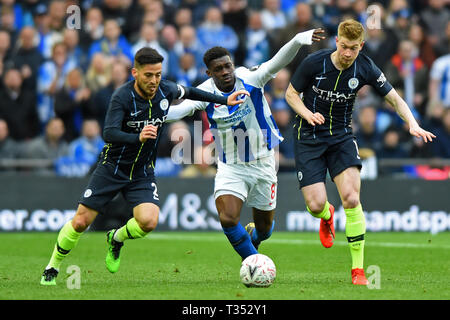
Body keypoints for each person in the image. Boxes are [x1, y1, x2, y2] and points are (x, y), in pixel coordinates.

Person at [40, 47, 248, 285]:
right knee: (80, 222)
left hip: (142, 171)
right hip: (112, 167)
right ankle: (52, 267)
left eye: (158, 74)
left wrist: (224, 99)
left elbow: (191, 92)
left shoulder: (165, 89)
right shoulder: (122, 97)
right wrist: (137, 137)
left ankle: (116, 238)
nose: (154, 80)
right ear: (135, 73)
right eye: (149, 75)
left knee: (148, 221)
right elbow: (109, 133)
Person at [285, 19, 435, 285]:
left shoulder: (365, 67)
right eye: (343, 46)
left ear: (361, 46)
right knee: (315, 204)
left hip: (342, 136)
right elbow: (291, 94)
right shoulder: (313, 63)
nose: (347, 53)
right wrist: (308, 114)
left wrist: (412, 124)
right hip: (308, 136)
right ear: (336, 42)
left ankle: (358, 270)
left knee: (352, 199)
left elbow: (394, 98)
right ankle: (327, 215)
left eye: (353, 48)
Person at [166, 29, 325, 261]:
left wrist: (298, 40)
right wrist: (149, 115)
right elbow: (178, 110)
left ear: (232, 64)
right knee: (228, 218)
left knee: (264, 230)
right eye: (218, 69)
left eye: (227, 66)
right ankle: (253, 261)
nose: (225, 72)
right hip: (231, 167)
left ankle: (255, 240)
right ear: (209, 73)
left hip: (263, 163)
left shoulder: (250, 79)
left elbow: (276, 62)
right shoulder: (204, 92)